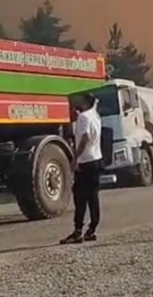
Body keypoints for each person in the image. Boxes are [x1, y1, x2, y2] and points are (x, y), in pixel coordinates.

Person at [60, 92, 103, 244]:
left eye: (79, 98)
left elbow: (84, 138)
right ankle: (92, 229)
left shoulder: (84, 117)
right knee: (93, 197)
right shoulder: (95, 116)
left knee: (80, 197)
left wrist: (75, 158)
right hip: (96, 159)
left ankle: (78, 231)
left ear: (85, 101)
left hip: (86, 161)